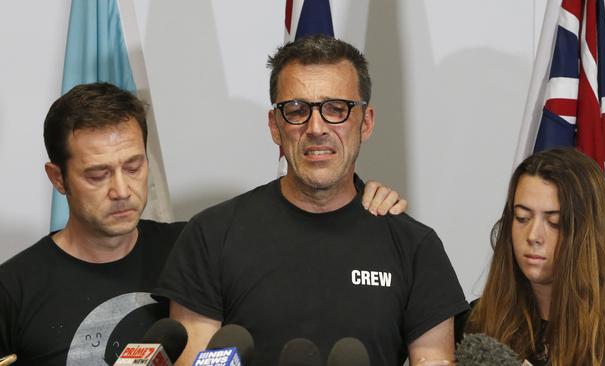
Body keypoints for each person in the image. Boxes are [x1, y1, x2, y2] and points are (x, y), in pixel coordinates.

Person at [0, 82, 405, 366]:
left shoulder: (200, 242)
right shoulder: (14, 288)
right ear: (58, 178)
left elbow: (304, 236)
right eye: (97, 175)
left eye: (133, 165)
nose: (121, 189)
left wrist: (359, 203)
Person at [155, 35, 468, 366]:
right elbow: (193, 357)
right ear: (275, 126)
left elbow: (433, 361)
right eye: (297, 110)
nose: (316, 127)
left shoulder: (414, 246)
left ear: (367, 123)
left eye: (336, 109)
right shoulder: (212, 234)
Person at [455, 148, 605, 365]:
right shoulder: (477, 324)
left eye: (554, 222)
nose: (533, 236)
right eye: (522, 218)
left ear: (588, 236)